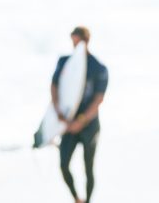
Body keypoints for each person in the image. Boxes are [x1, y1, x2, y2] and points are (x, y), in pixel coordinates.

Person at [51, 26, 109, 203]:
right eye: (72, 41)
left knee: (88, 168)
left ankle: (88, 201)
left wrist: (81, 121)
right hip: (68, 124)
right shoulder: (64, 62)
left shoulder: (98, 68)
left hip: (89, 126)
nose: (74, 44)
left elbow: (98, 99)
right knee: (63, 165)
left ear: (85, 41)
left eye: (77, 41)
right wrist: (57, 111)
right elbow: (54, 86)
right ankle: (77, 199)